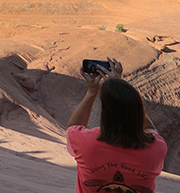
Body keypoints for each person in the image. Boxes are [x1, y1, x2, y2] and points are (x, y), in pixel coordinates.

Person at [66, 57, 167, 193]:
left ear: (102, 107)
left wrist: (91, 92)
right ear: (137, 109)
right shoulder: (157, 148)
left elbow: (72, 128)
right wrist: (122, 88)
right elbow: (151, 130)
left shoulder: (85, 143)